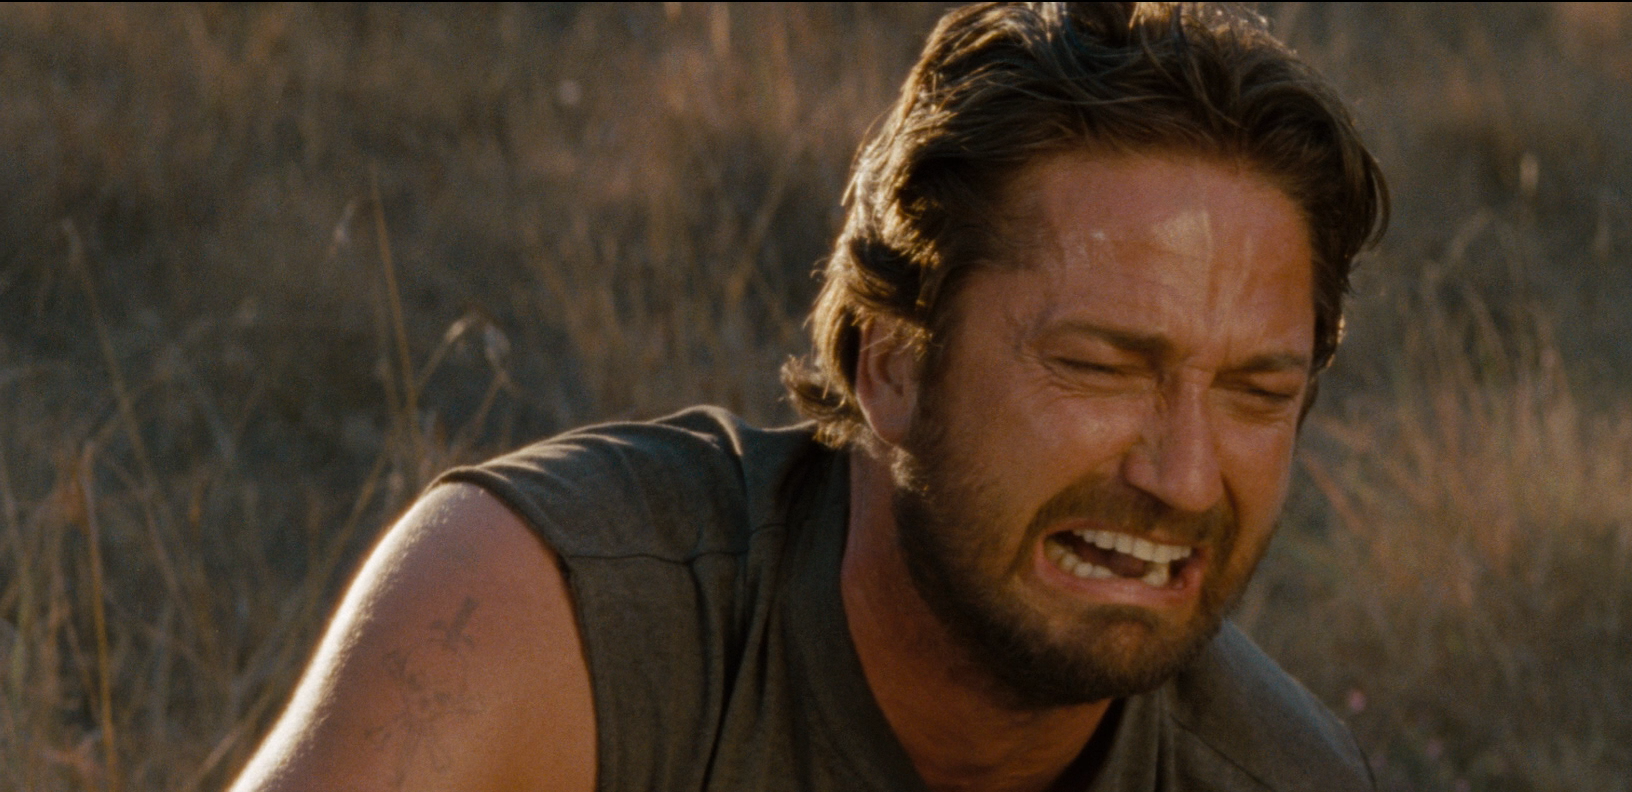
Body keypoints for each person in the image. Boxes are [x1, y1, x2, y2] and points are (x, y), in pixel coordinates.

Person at [230, 3, 1387, 790]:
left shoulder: (1276, 772)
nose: (1182, 476)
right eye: (1098, 366)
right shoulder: (544, 616)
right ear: (893, 364)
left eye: (1255, 391)